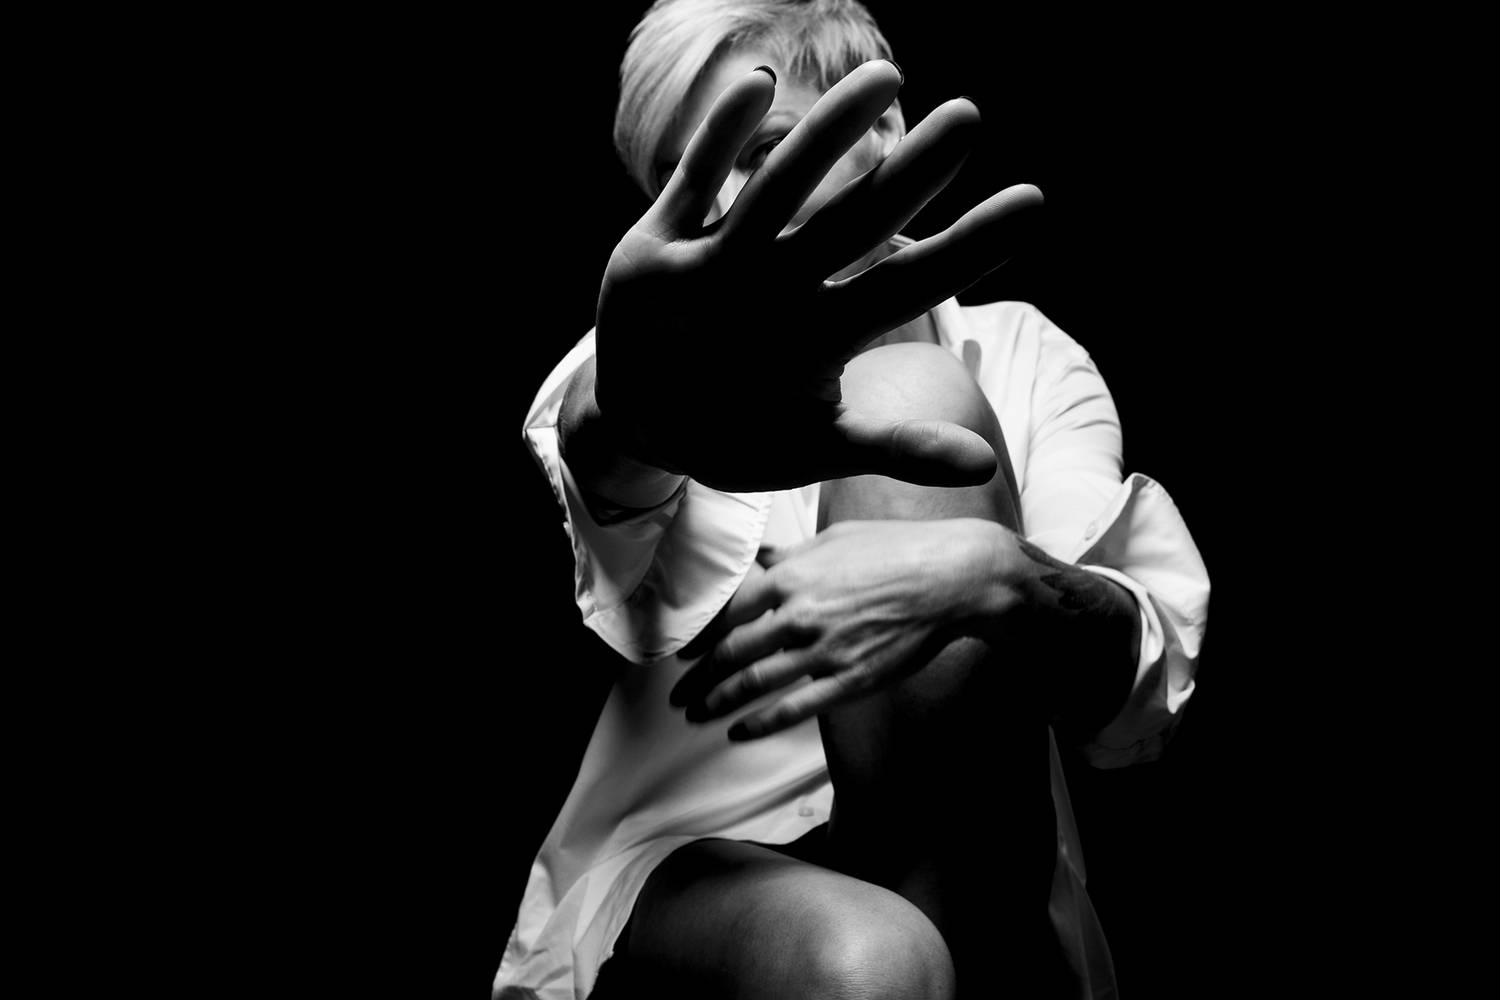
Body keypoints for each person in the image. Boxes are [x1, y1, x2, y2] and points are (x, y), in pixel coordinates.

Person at [498, 1, 1210, 997]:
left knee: (887, 962)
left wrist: (995, 574)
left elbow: (1132, 695)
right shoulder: (650, 355)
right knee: (869, 958)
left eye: (762, 153)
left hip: (976, 904)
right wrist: (628, 424)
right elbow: (602, 457)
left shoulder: (1023, 356)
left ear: (881, 129)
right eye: (688, 179)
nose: (723, 206)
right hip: (689, 900)